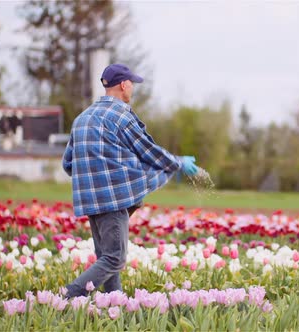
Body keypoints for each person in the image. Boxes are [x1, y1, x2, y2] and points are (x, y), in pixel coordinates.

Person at [61, 63, 199, 298]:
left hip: (90, 201)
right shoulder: (121, 117)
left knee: (107, 257)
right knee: (115, 258)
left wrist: (94, 177)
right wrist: (177, 163)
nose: (132, 89)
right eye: (132, 84)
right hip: (113, 201)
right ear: (124, 84)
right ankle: (66, 297)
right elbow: (148, 151)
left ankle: (114, 305)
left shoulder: (81, 119)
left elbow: (68, 163)